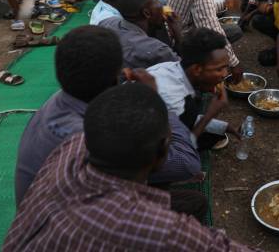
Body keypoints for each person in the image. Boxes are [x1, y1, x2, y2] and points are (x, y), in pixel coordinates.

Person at [5, 82, 256, 251]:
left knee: (194, 203)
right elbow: (188, 164)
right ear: (161, 152)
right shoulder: (160, 229)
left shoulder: (72, 144)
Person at [13, 26, 202, 210]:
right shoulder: (94, 136)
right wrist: (154, 100)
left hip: (42, 213)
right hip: (68, 224)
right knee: (194, 202)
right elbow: (187, 164)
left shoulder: (60, 99)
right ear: (115, 77)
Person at [149, 29, 240, 151]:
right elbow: (180, 151)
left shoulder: (172, 68)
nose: (225, 74)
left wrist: (225, 127)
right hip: (138, 151)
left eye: (226, 67)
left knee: (212, 133)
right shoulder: (173, 99)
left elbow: (186, 118)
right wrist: (210, 114)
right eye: (219, 69)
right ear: (197, 69)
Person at [99, 0, 181, 69]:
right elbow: (184, 70)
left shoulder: (106, 23)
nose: (161, 4)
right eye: (156, 0)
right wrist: (178, 34)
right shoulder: (158, 51)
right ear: (147, 13)